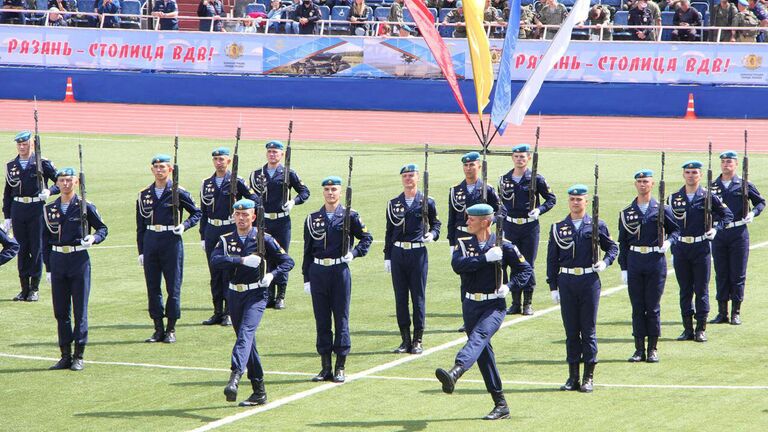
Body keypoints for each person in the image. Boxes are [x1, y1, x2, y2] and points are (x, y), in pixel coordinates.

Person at [434, 203, 532, 420]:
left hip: (494, 306)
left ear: (486, 222)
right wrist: (484, 258)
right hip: (470, 305)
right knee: (484, 354)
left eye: (471, 219)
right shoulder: (463, 243)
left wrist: (509, 286)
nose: (467, 221)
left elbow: (525, 270)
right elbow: (457, 265)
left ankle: (456, 371)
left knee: (478, 338)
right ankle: (501, 404)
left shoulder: (504, 246)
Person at [211, 199, 294, 406]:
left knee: (245, 334)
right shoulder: (225, 239)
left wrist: (272, 275)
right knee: (248, 342)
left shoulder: (263, 239)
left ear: (253, 217)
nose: (241, 218)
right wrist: (240, 260)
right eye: (238, 214)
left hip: (256, 295)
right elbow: (215, 260)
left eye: (245, 215)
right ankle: (259, 391)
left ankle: (235, 376)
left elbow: (287, 261)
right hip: (234, 295)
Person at [547, 184, 618, 393]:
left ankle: (588, 377)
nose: (575, 203)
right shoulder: (558, 227)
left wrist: (605, 263)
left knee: (588, 331)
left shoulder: (596, 225)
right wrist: (553, 286)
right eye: (572, 199)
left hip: (589, 281)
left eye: (579, 199)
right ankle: (572, 377)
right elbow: (552, 259)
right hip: (567, 282)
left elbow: (613, 247)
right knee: (571, 331)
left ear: (586, 202)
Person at [303, 176, 372, 383]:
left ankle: (340, 366)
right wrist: (306, 277)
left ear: (340, 192)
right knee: (321, 320)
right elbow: (307, 250)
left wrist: (355, 252)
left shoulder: (350, 215)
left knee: (341, 318)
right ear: (323, 192)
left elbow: (367, 237)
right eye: (327, 189)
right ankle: (325, 367)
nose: (330, 193)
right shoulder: (312, 218)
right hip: (318, 272)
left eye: (334, 189)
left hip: (339, 271)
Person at [43, 168, 108, 372]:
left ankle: (79, 355)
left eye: (69, 180)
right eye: (61, 180)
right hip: (58, 260)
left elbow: (102, 229)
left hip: (78, 259)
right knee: (61, 311)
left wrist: (93, 238)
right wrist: (48, 269)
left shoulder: (85, 206)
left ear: (76, 182)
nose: (65, 184)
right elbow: (44, 241)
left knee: (80, 310)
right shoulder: (49, 209)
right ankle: (65, 355)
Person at [136, 154, 202, 344]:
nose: (159, 170)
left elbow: (197, 212)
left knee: (173, 286)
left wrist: (185, 225)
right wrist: (141, 250)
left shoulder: (178, 192)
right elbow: (140, 226)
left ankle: (171, 328)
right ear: (152, 170)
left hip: (171, 240)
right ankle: (158, 328)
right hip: (150, 240)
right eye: (156, 167)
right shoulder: (144, 194)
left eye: (163, 167)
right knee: (152, 286)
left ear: (170, 170)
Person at [617, 170, 680, 363]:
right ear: (635, 185)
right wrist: (624, 268)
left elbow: (676, 230)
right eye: (639, 181)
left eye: (646, 181)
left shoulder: (662, 209)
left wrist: (669, 243)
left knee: (652, 307)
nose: (643, 184)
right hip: (635, 261)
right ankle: (638, 349)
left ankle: (652, 348)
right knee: (637, 307)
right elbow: (623, 243)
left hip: (655, 261)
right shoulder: (626, 213)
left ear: (652, 185)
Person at [668, 160, 732, 343]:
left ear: (700, 175)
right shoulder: (673, 198)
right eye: (688, 172)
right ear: (683, 175)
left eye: (694, 172)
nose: (691, 175)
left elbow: (727, 215)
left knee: (701, 289)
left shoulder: (708, 197)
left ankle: (700, 328)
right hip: (680, 249)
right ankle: (687, 329)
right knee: (685, 290)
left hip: (701, 247)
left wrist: (716, 228)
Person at [384, 164, 442, 355]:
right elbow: (389, 232)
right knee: (400, 298)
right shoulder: (393, 203)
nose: (408, 179)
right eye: (405, 176)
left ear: (418, 178)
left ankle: (418, 339)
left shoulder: (427, 202)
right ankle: (405, 340)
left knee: (418, 297)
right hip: (398, 253)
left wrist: (432, 235)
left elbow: (436, 223)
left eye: (411, 176)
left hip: (418, 253)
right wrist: (387, 256)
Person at [199, 147, 258, 326]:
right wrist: (203, 235)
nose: (219, 162)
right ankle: (217, 311)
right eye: (216, 159)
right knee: (215, 272)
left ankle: (229, 312)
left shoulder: (237, 181)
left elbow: (255, 199)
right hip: (212, 229)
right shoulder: (206, 183)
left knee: (229, 272)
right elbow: (203, 211)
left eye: (222, 159)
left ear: (228, 161)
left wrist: (240, 205)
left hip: (229, 229)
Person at [249, 141, 310, 310]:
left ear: (282, 154)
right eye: (269, 151)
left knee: (281, 255)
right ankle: (267, 294)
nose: (272, 154)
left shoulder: (288, 173)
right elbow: (250, 194)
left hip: (281, 221)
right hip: (262, 220)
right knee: (264, 255)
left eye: (275, 152)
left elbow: (305, 192)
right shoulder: (256, 174)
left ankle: (281, 295)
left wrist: (293, 201)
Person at [498, 144, 556, 316]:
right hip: (510, 226)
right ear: (512, 158)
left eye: (523, 157)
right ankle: (515, 302)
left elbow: (551, 199)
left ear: (529, 158)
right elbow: (499, 203)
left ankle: (527, 302)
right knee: (511, 262)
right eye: (516, 156)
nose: (519, 159)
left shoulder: (536, 179)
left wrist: (539, 210)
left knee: (527, 264)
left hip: (529, 226)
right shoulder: (504, 179)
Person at [710, 151, 764, 325]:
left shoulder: (743, 184)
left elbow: (761, 202)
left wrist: (753, 213)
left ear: (736, 164)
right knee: (721, 273)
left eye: (729, 162)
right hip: (719, 233)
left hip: (738, 233)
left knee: (737, 273)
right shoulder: (712, 186)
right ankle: (722, 312)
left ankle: (736, 312)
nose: (726, 165)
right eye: (724, 162)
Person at [4, 131, 59, 302]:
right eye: (19, 144)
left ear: (31, 144)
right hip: (18, 208)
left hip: (36, 207)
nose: (21, 147)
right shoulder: (11, 165)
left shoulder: (42, 162)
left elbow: (59, 181)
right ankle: (24, 288)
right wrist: (7, 216)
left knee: (36, 248)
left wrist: (49, 191)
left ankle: (34, 288)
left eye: (25, 144)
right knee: (21, 249)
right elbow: (7, 193)